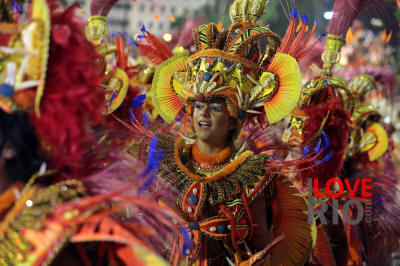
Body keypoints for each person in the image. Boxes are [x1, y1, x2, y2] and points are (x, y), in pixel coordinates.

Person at [123, 0, 323, 264]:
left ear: (233, 120)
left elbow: (261, 247)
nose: (203, 114)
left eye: (215, 106)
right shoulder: (161, 158)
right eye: (198, 105)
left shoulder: (253, 175)